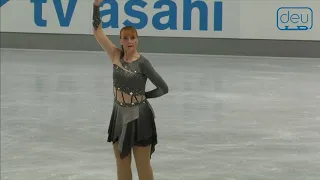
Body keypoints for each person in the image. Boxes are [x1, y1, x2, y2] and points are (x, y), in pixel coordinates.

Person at [92, 0, 169, 180]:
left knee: (142, 165)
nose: (129, 41)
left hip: (140, 116)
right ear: (120, 40)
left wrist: (143, 97)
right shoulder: (115, 55)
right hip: (119, 114)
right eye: (125, 38)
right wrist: (96, 6)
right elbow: (98, 32)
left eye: (132, 38)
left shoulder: (143, 63)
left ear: (137, 40)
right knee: (121, 163)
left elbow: (163, 88)